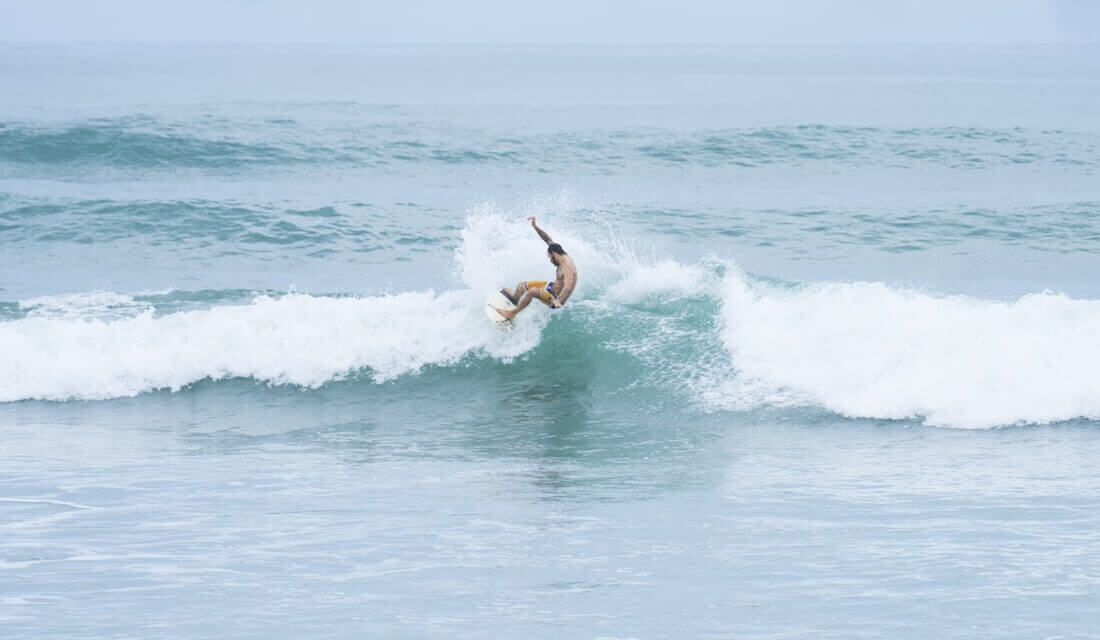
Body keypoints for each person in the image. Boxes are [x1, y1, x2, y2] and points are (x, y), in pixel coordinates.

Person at [496, 216, 578, 320]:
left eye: (549, 257)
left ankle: (512, 314)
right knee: (522, 286)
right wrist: (535, 226)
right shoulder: (559, 252)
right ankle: (515, 298)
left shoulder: (568, 268)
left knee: (533, 291)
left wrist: (558, 301)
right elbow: (547, 239)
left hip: (555, 298)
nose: (549, 260)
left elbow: (568, 286)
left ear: (553, 254)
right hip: (551, 287)